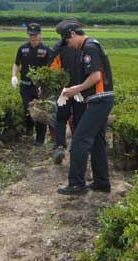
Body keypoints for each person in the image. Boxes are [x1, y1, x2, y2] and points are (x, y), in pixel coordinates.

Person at [56, 22, 114, 195]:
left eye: (68, 41)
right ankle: (102, 183)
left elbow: (96, 76)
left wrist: (76, 89)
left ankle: (76, 184)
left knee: (80, 140)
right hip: (101, 99)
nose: (69, 45)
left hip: (99, 99)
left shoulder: (89, 47)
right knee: (97, 141)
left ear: (73, 34)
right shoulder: (91, 46)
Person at [50, 20, 87, 164]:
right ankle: (71, 148)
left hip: (68, 89)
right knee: (74, 118)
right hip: (76, 88)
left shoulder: (59, 48)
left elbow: (52, 68)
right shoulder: (81, 45)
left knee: (62, 118)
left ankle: (61, 146)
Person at [11, 23, 52, 146]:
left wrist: (44, 83)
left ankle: (40, 139)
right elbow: (17, 63)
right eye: (30, 35)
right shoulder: (22, 48)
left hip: (40, 87)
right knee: (27, 108)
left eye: (35, 35)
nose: (33, 37)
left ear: (40, 35)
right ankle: (29, 128)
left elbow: (50, 68)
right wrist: (14, 75)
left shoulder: (45, 49)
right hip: (26, 85)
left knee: (40, 112)